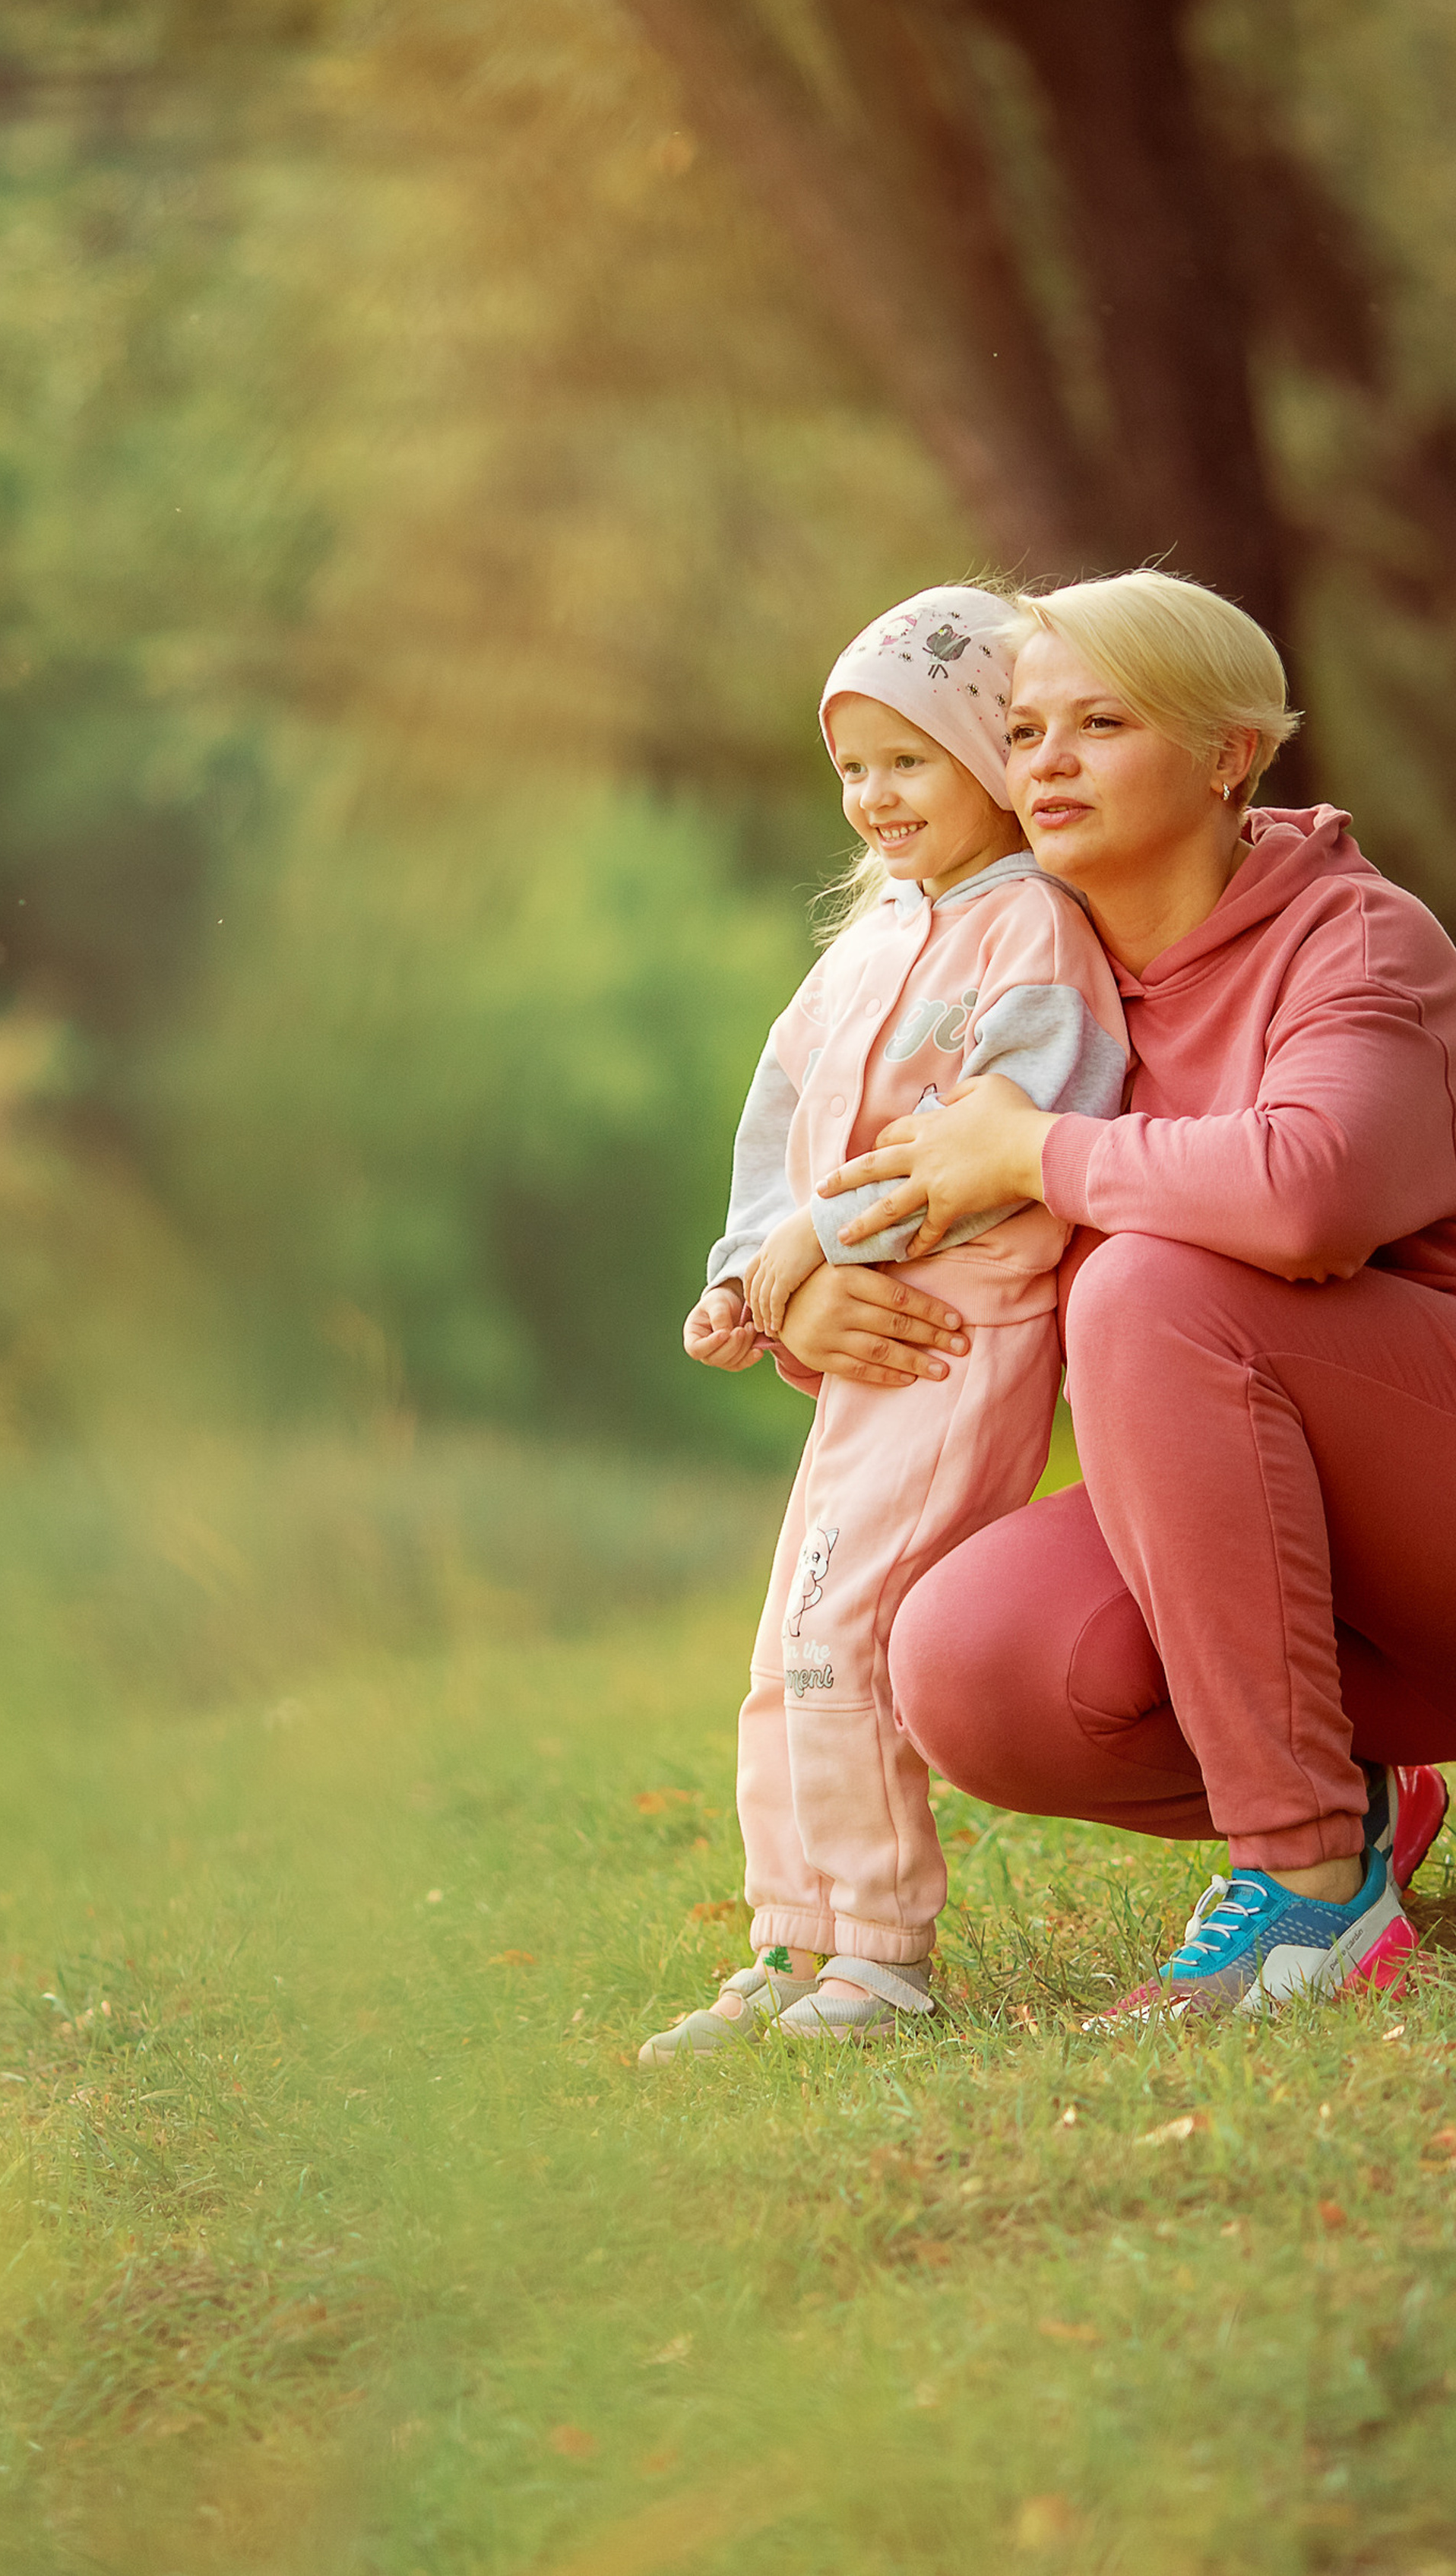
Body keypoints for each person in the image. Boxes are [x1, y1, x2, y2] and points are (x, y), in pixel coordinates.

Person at [810, 571, 1456, 2021]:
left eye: (1099, 723)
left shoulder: (1356, 943)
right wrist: (803, 1294)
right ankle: (1346, 1801)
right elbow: (882, 1171)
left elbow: (1308, 1198)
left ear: (1230, 752)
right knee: (969, 1661)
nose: (1045, 761)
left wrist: (1039, 1153)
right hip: (1327, 1569)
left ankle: (1305, 1890)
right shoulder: (1030, 972)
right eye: (1026, 728)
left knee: (1154, 1283)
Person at [640, 587, 1128, 2063]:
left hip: (953, 1335)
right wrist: (748, 1274)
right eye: (851, 767)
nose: (871, 795)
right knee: (786, 1634)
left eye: (906, 760)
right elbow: (773, 1132)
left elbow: (1001, 1136)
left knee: (840, 1628)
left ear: (993, 754)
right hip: (860, 1339)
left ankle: (880, 1952)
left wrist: (808, 1248)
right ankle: (790, 1933)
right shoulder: (855, 953)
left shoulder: (1031, 932)